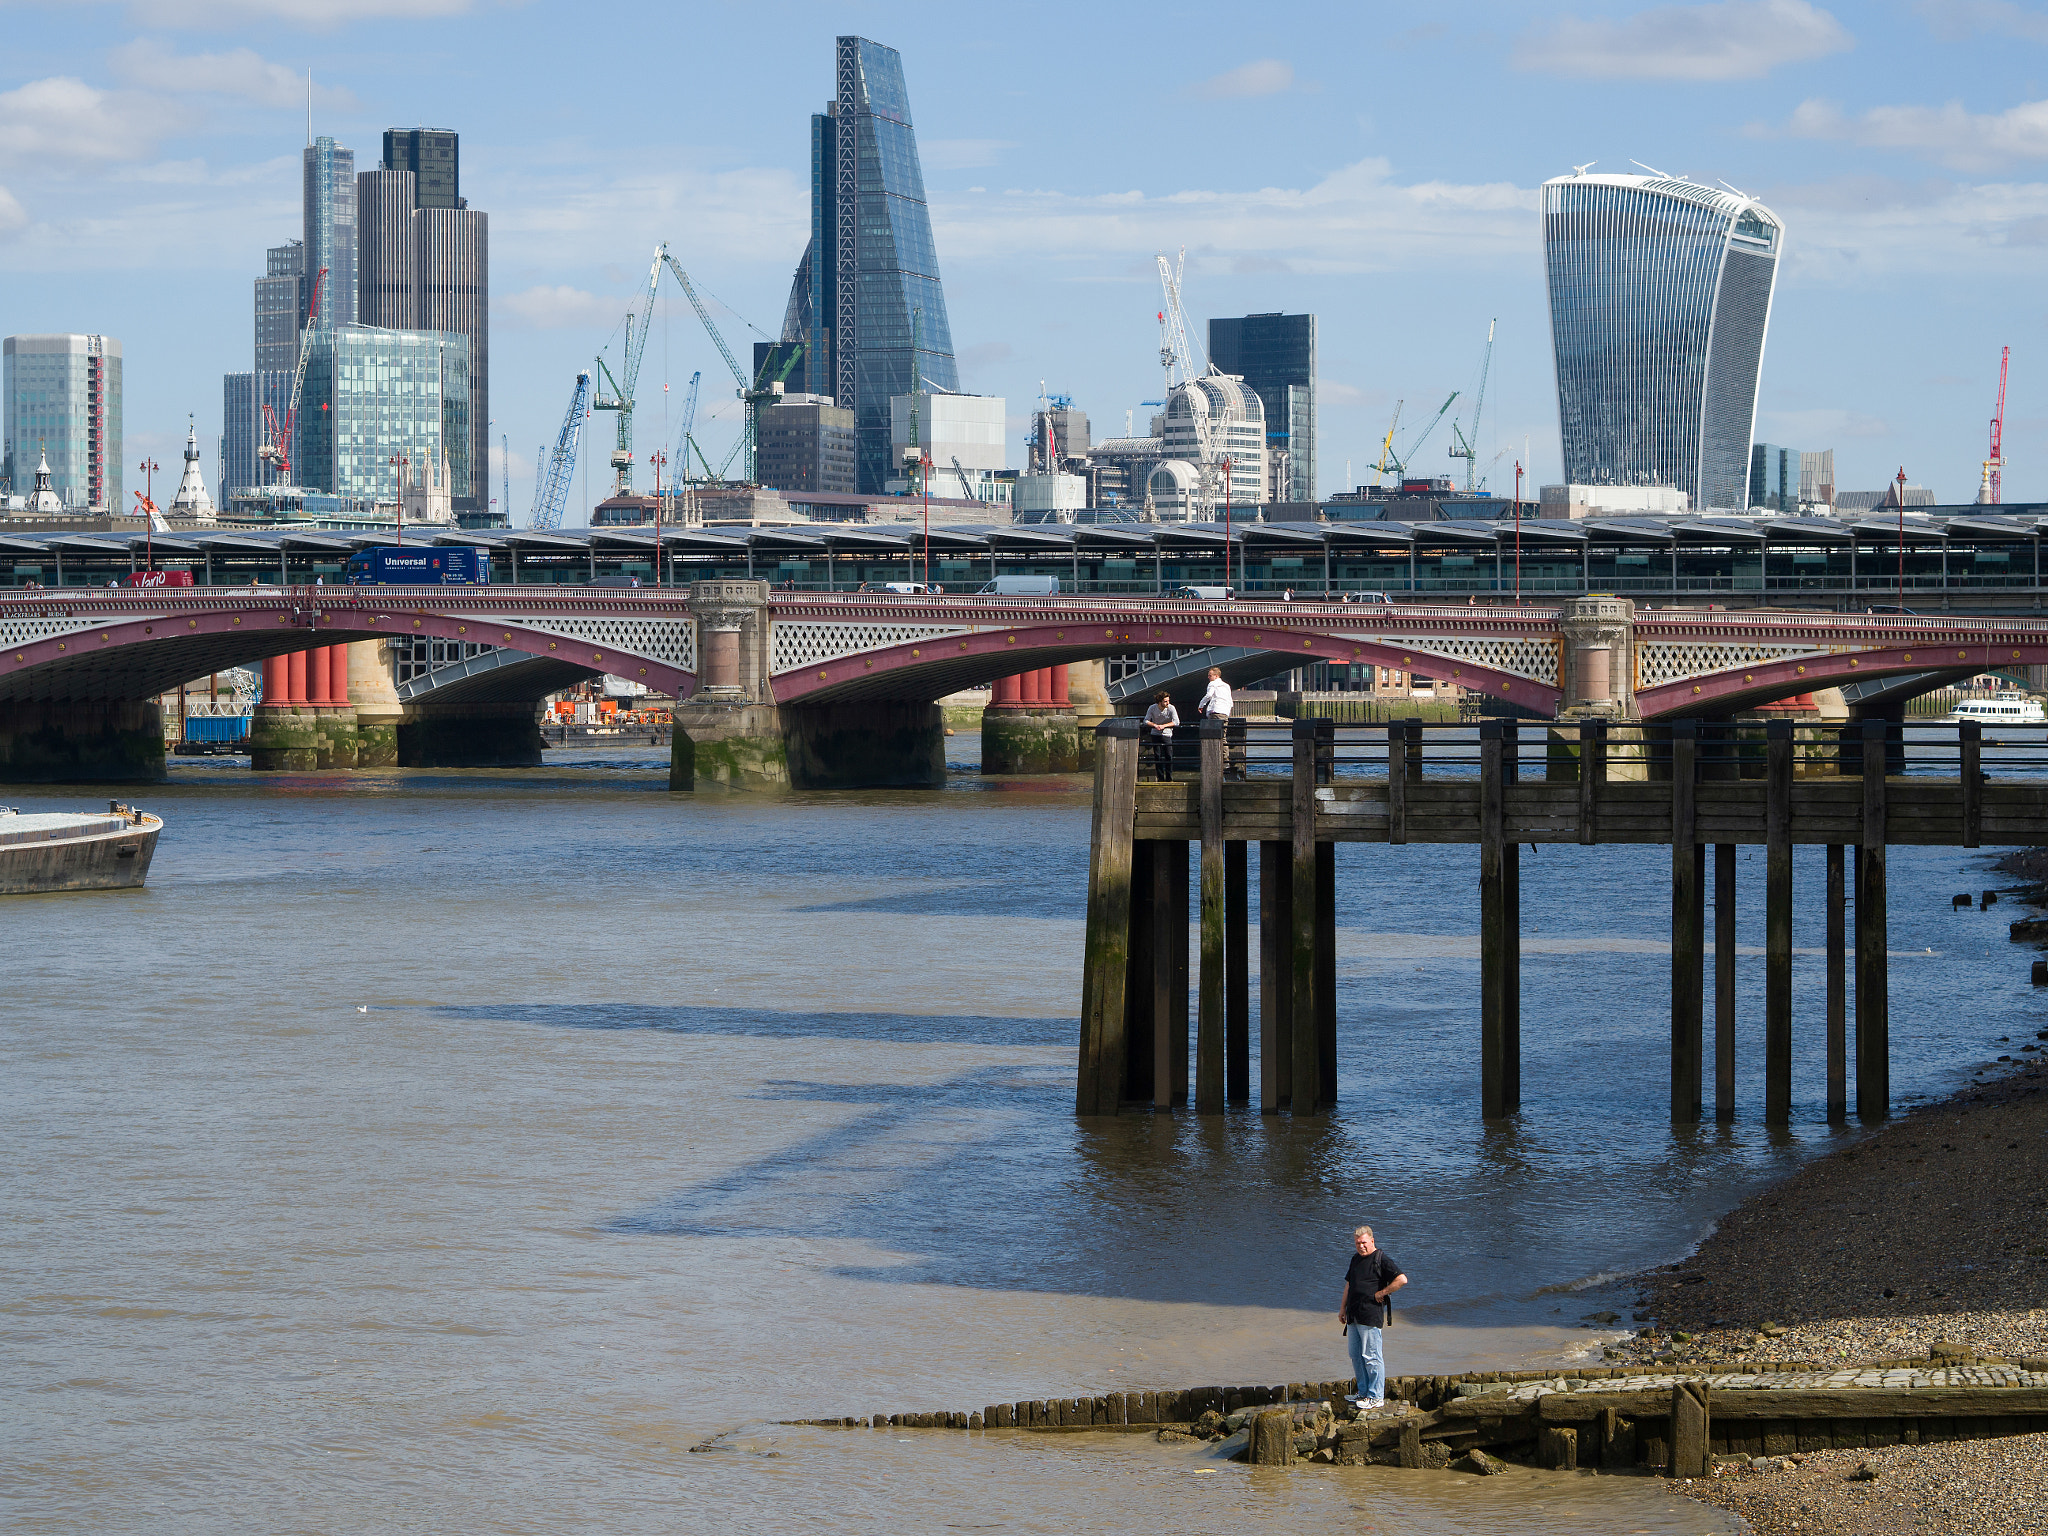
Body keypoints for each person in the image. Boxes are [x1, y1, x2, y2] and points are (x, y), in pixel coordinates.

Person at [1337, 1224, 1407, 1408]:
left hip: (1370, 1316)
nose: (1361, 1246)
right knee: (1355, 1355)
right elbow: (1349, 1284)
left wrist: (1382, 1293)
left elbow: (1401, 1279)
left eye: (1364, 1243)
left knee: (1371, 1356)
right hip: (1353, 1315)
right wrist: (1342, 1308)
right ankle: (1363, 1393)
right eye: (1358, 1243)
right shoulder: (1355, 1259)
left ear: (1372, 1241)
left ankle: (1376, 1396)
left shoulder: (1380, 1258)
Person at [1143, 690, 1179, 782]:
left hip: (1167, 734)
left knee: (1169, 756)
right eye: (1165, 701)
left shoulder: (1171, 708)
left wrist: (1164, 726)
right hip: (1155, 733)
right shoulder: (1152, 708)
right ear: (1160, 702)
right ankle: (1160, 777)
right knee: (1157, 756)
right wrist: (1154, 725)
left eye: (1168, 701)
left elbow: (1176, 722)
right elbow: (1146, 720)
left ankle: (1169, 777)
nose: (1168, 703)